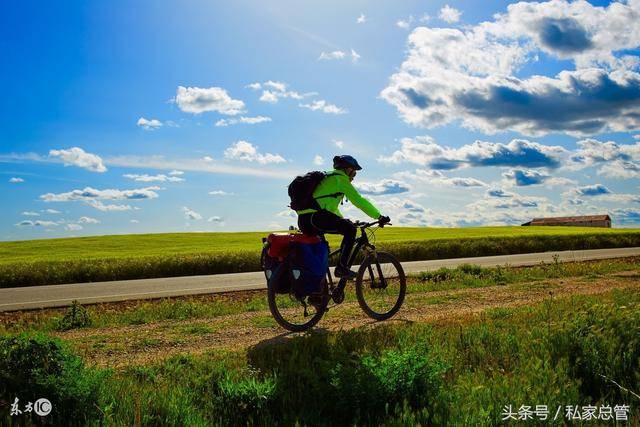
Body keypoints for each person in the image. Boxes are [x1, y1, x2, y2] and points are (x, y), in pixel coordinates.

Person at [297, 155, 390, 279]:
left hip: (304, 220)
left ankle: (319, 293)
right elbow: (358, 200)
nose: (353, 176)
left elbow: (330, 209)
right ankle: (341, 268)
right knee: (350, 230)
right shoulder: (340, 179)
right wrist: (378, 216)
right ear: (348, 170)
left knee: (321, 252)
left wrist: (344, 220)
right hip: (317, 218)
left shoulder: (326, 177)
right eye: (354, 173)